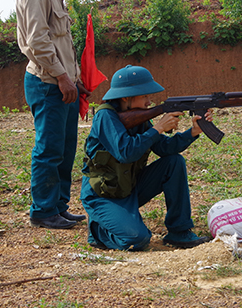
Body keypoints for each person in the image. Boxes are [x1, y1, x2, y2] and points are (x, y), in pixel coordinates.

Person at [80, 65, 212, 251]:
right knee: (137, 240)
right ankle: (98, 231)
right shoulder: (105, 117)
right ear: (126, 97)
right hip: (102, 194)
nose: (149, 101)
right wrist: (157, 128)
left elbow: (165, 148)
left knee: (174, 163)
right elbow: (125, 152)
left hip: (128, 188)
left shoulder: (139, 119)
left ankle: (179, 232)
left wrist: (192, 132)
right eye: (144, 96)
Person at [16, 0, 90, 230]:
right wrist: (62, 77)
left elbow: (60, 43)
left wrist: (74, 78)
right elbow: (37, 41)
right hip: (48, 83)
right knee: (49, 149)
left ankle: (58, 206)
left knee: (65, 148)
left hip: (62, 83)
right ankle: (43, 211)